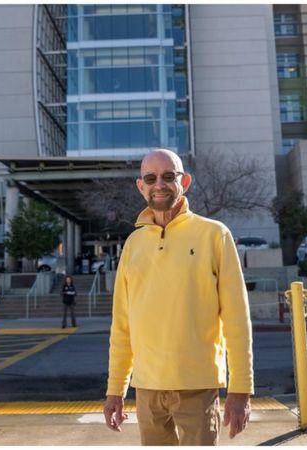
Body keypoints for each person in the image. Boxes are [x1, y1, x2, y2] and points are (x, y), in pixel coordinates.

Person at [103, 149, 253, 445]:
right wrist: (115, 391)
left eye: (168, 176)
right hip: (147, 389)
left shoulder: (215, 235)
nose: (159, 184)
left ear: (184, 182)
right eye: (151, 178)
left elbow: (237, 319)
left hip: (198, 387)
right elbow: (122, 325)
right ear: (141, 186)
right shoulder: (133, 245)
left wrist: (241, 389)